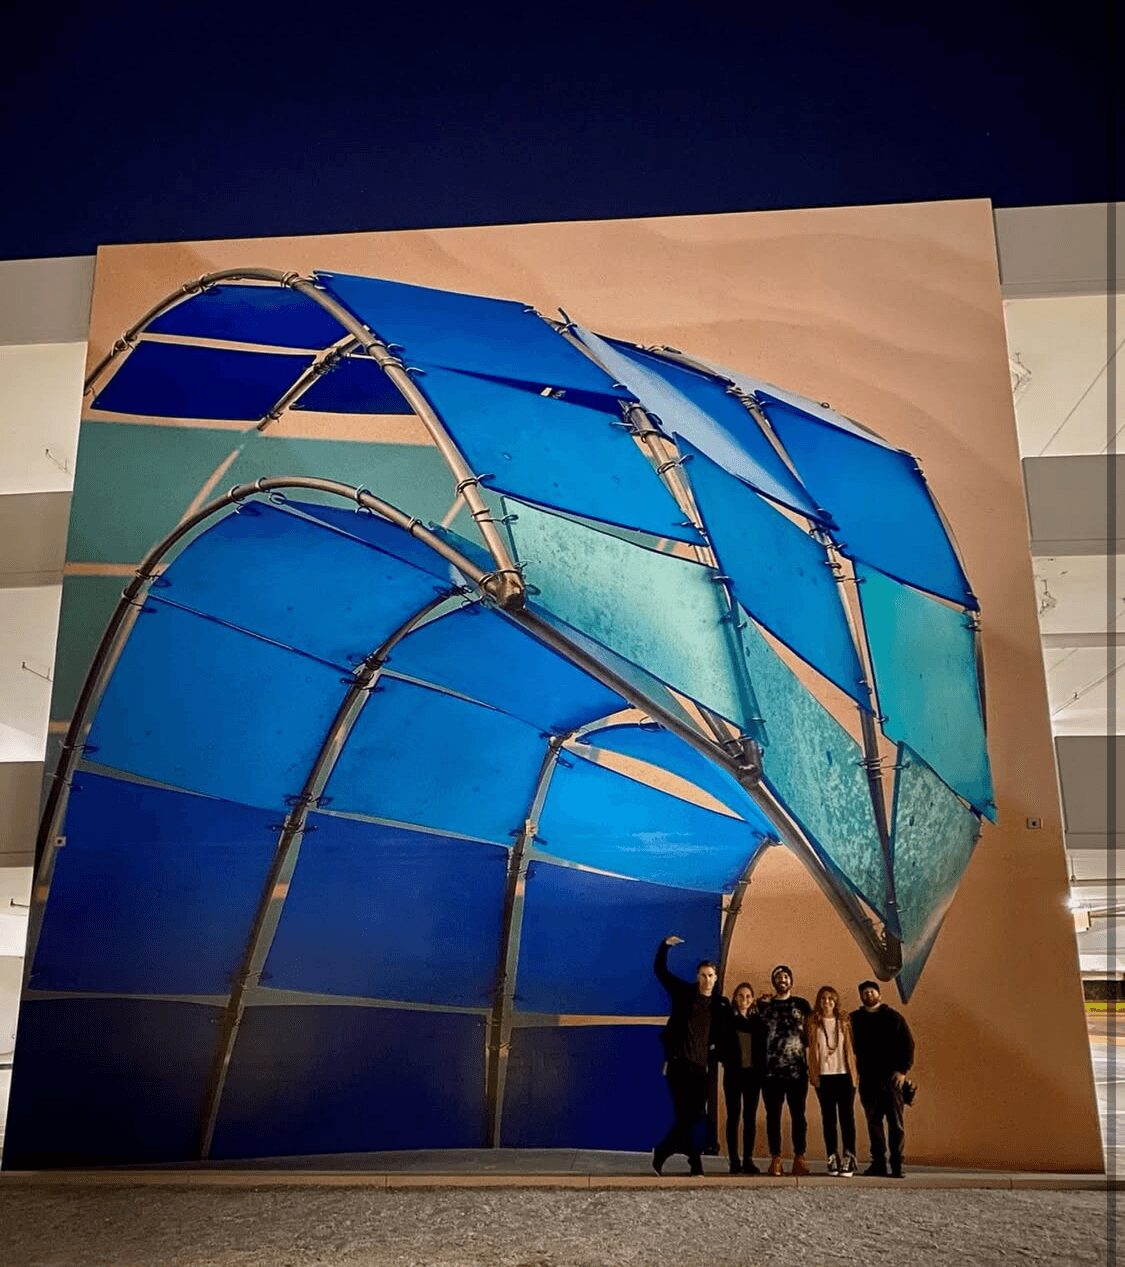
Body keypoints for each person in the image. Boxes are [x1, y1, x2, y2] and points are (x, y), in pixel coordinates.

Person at [652, 934, 729, 1176]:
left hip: (700, 1068)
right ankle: (695, 1163)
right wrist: (664, 945)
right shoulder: (684, 993)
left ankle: (663, 1150)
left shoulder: (720, 1004)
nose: (707, 979)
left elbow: (725, 1034)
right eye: (703, 975)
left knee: (693, 1116)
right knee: (684, 1115)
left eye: (711, 975)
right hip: (678, 1065)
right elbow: (660, 971)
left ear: (716, 978)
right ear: (698, 976)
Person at [850, 979, 915, 1178]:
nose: (868, 995)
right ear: (861, 996)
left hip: (891, 1079)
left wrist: (902, 1071)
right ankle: (878, 1163)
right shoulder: (854, 1019)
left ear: (879, 994)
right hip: (868, 1079)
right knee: (874, 1123)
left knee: (896, 1124)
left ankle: (896, 1164)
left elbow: (908, 1044)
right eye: (865, 993)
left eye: (872, 991)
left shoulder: (894, 1018)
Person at [757, 964, 811, 1176]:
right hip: (771, 1073)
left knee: (799, 1116)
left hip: (797, 1072)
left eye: (786, 976)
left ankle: (800, 1157)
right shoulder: (764, 1006)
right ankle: (776, 1158)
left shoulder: (802, 1004)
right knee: (773, 1116)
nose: (783, 980)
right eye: (779, 977)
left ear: (791, 981)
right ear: (774, 981)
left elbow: (813, 1032)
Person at [805, 985, 859, 1176]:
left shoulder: (844, 1021)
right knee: (828, 1118)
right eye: (823, 998)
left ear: (835, 1001)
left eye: (830, 998)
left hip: (844, 1075)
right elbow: (809, 1047)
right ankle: (832, 1157)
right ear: (819, 1001)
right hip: (824, 1077)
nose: (827, 1002)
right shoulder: (812, 1022)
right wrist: (813, 1074)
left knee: (846, 1117)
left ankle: (849, 1157)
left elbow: (853, 1047)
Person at [718, 981, 766, 1173]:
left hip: (752, 1077)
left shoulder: (758, 1023)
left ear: (752, 999)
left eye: (747, 996)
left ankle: (747, 1159)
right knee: (733, 1116)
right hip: (733, 1075)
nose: (744, 999)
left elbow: (762, 1051)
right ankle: (734, 1160)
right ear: (735, 998)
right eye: (740, 996)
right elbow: (722, 1045)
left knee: (750, 1117)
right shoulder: (728, 1020)